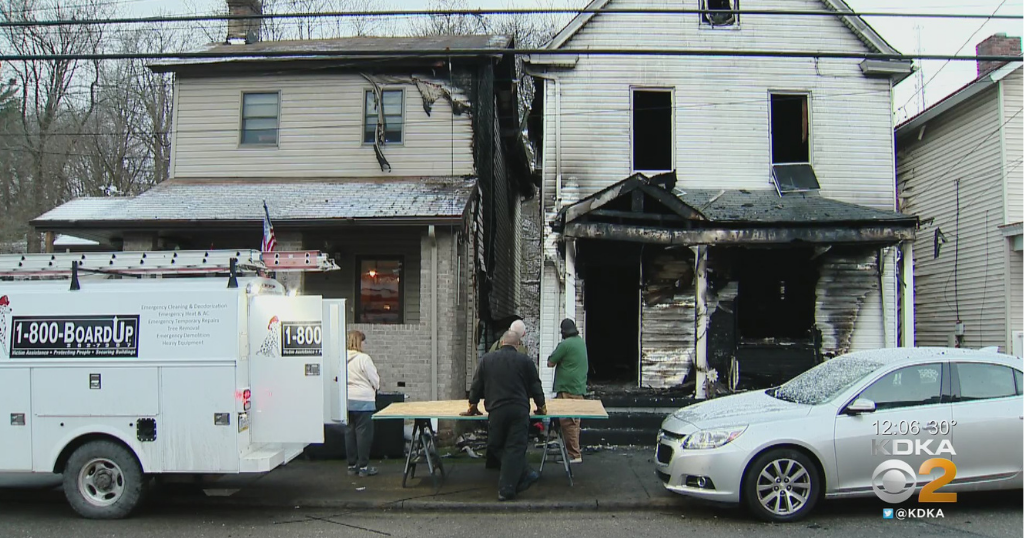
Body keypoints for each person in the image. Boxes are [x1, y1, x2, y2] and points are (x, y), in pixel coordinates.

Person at [462, 330, 546, 501]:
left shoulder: (487, 360)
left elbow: (476, 385)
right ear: (517, 345)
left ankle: (507, 489)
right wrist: (541, 407)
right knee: (514, 448)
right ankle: (524, 475)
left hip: (497, 411)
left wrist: (472, 406)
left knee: (496, 445)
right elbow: (536, 386)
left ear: (501, 343)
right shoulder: (525, 361)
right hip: (519, 411)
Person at [547, 318, 588, 464]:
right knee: (575, 422)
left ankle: (574, 455)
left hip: (567, 388)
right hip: (578, 387)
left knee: (568, 422)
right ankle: (574, 452)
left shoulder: (565, 344)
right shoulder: (580, 342)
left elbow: (550, 362)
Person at [345, 330, 380, 477]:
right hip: (364, 401)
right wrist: (375, 386)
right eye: (364, 341)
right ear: (360, 342)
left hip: (347, 401)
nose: (365, 344)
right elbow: (375, 381)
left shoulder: (341, 358)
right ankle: (364, 467)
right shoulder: (364, 359)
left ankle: (351, 466)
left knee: (349, 434)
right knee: (363, 435)